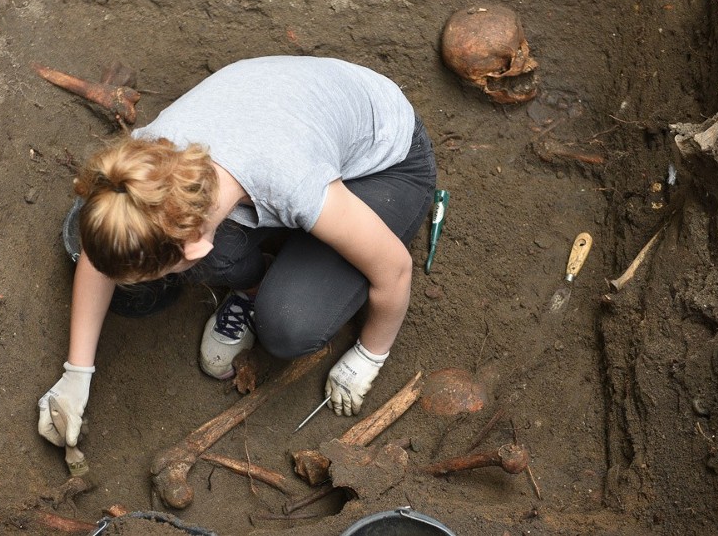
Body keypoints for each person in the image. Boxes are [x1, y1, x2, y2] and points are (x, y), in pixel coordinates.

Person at [37, 55, 436, 449]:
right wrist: (77, 372)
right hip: (293, 122)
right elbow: (106, 241)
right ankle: (258, 282)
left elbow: (396, 271)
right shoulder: (144, 166)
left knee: (289, 327)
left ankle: (292, 269)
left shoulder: (291, 180)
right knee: (209, 252)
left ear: (194, 246)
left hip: (386, 161)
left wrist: (370, 355)